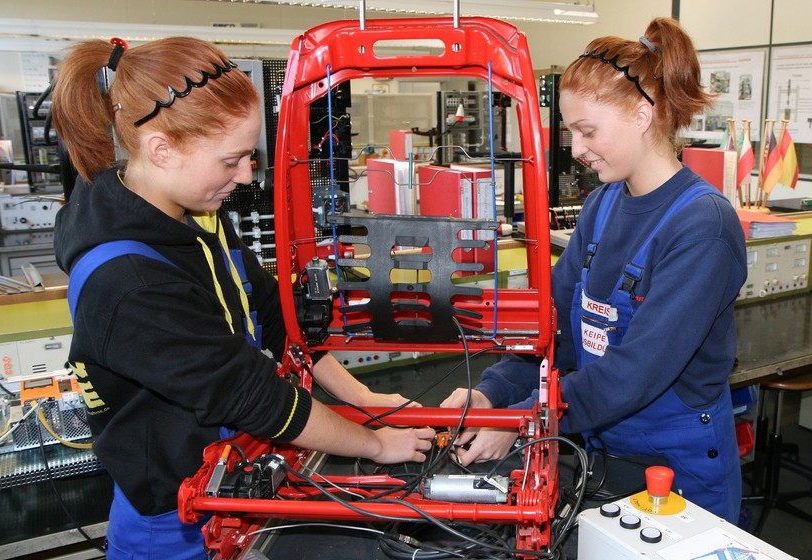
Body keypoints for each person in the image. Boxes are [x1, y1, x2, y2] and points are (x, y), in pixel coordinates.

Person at [51, 37, 435, 559]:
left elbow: (275, 320)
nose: (247, 176)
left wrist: (363, 399)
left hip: (238, 472)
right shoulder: (127, 280)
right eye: (231, 160)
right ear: (161, 149)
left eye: (250, 156)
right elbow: (251, 393)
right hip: (176, 520)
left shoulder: (197, 214)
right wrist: (374, 444)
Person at [441, 17, 747, 522]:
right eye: (570, 132)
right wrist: (491, 392)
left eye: (587, 131)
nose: (577, 149)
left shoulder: (702, 226)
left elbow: (635, 374)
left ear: (642, 114)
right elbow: (555, 328)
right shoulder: (602, 205)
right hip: (600, 444)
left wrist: (522, 422)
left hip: (677, 466)